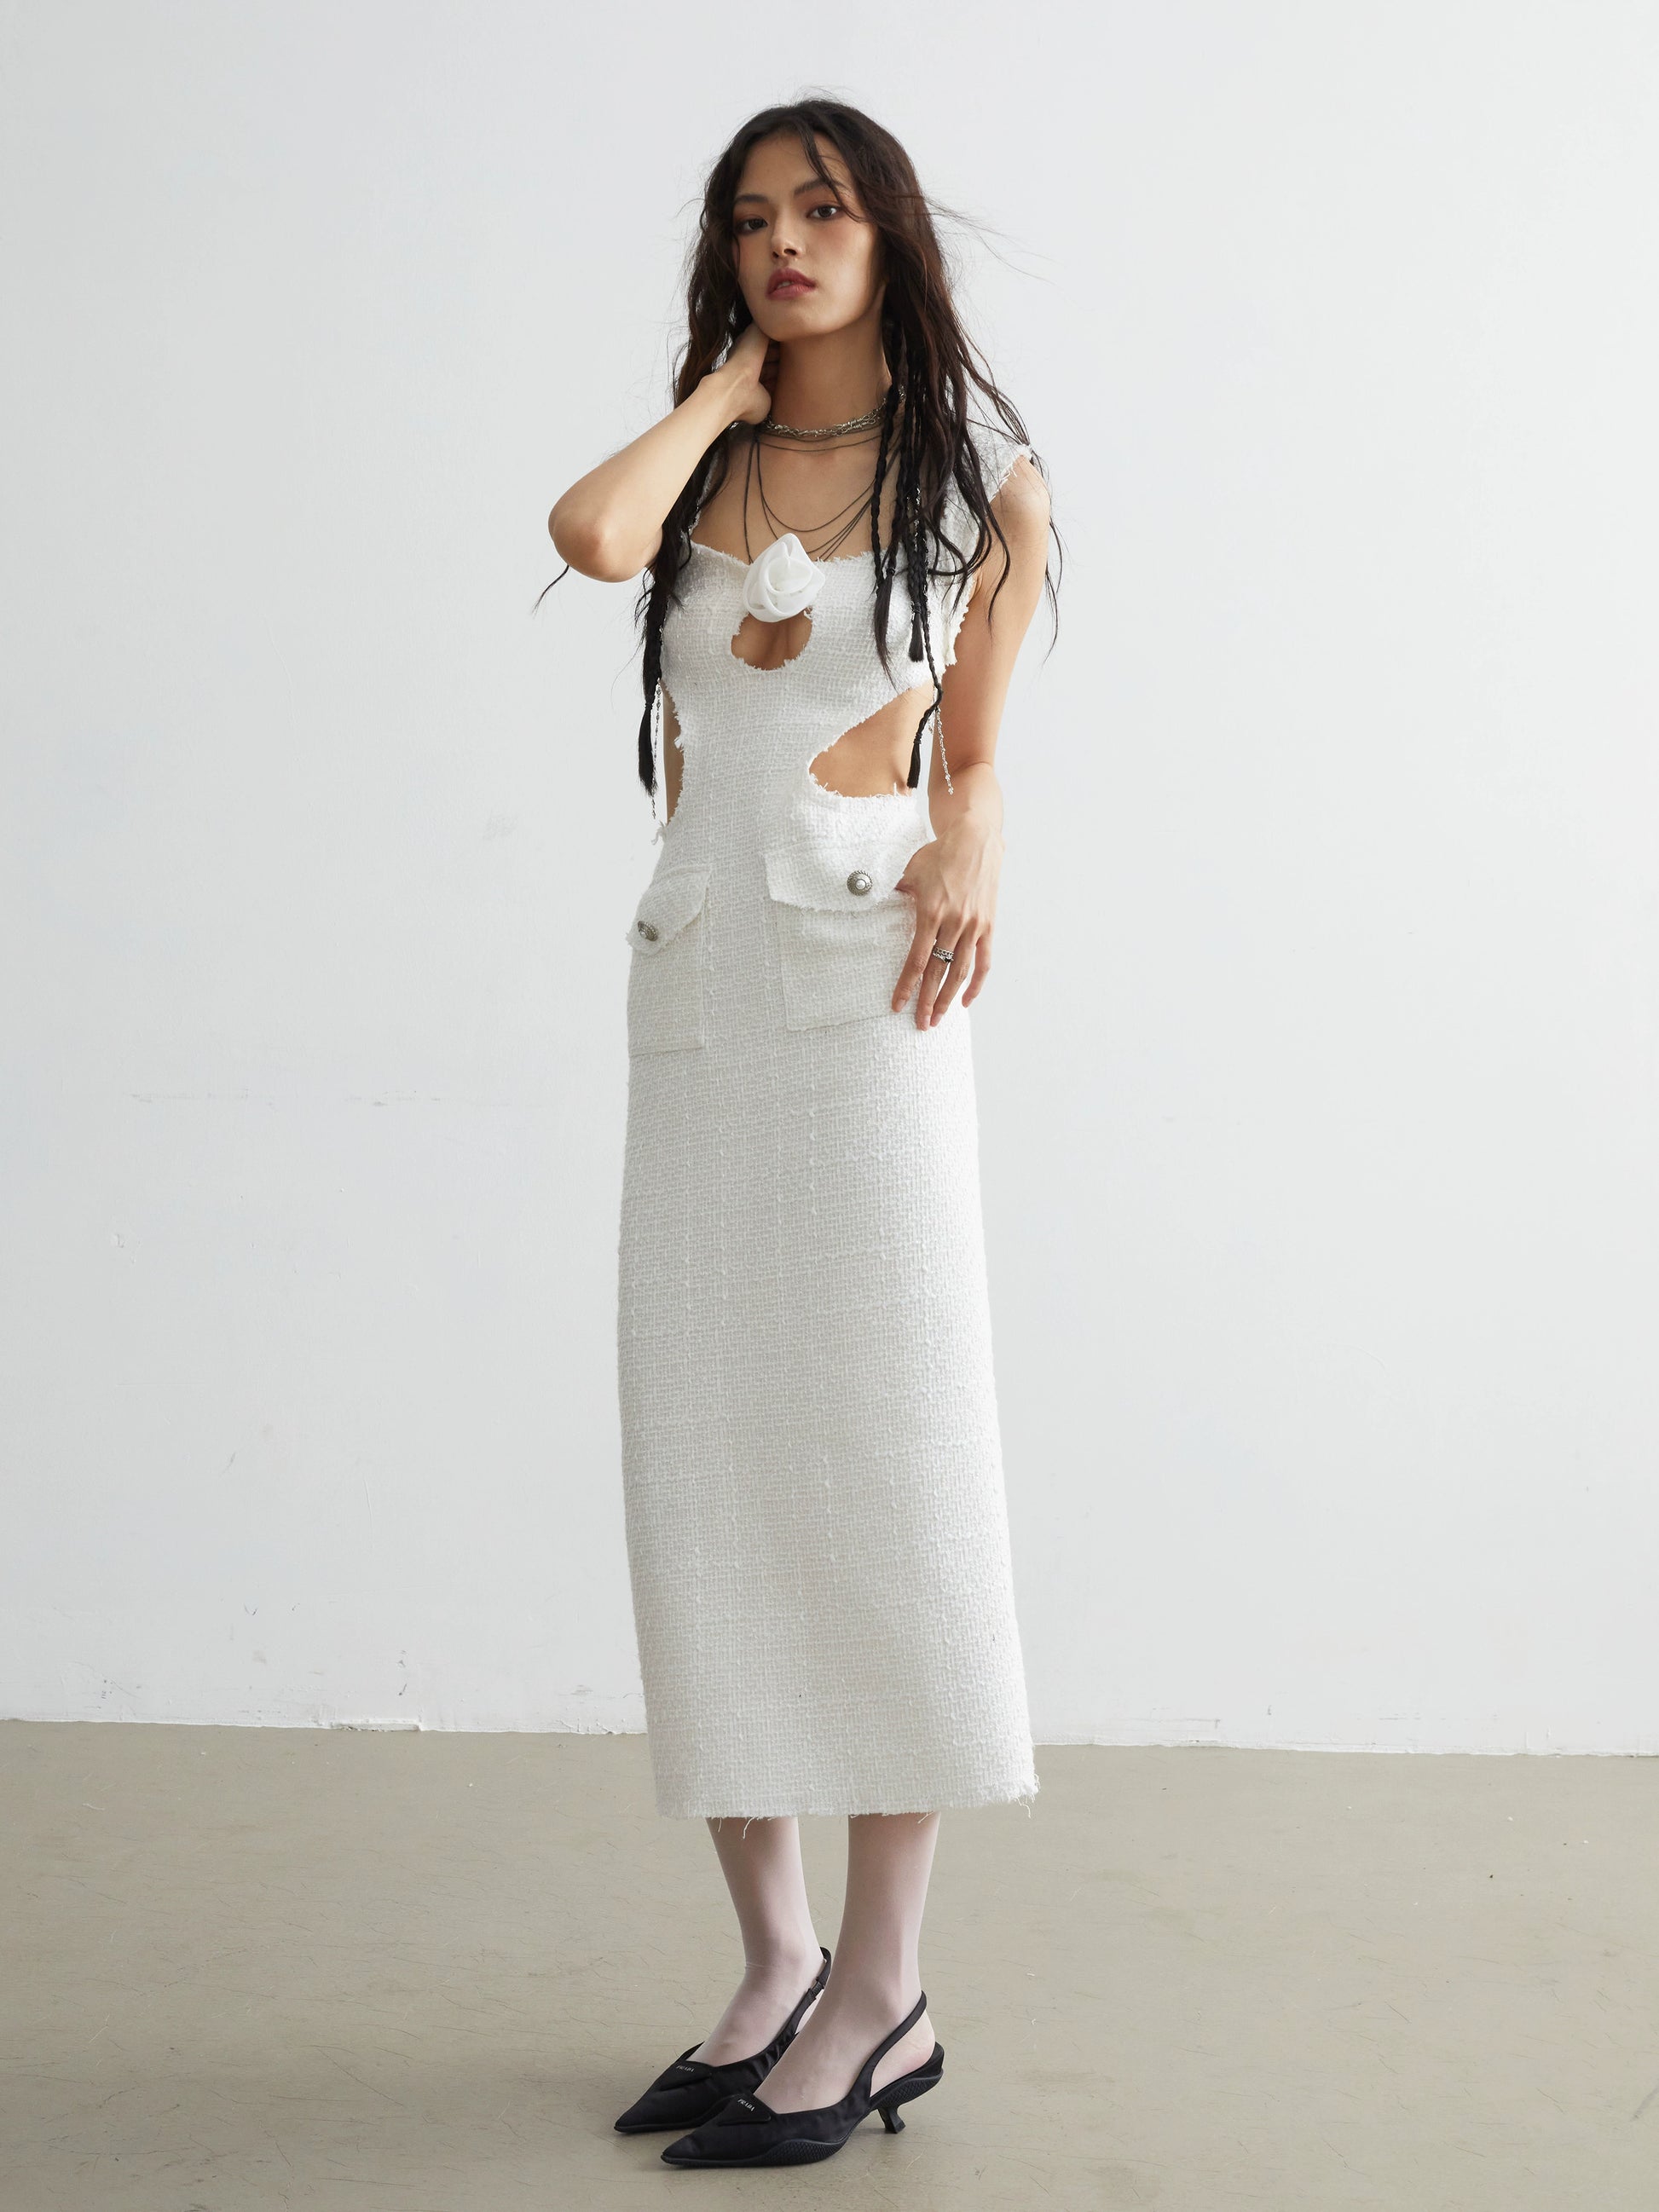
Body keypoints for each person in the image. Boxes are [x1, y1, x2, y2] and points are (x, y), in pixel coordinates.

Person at [546, 97, 1058, 2170]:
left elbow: (979, 751)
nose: (787, 239)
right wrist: (718, 395)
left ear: (888, 232)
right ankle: (772, 1962)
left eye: (823, 209)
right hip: (698, 996)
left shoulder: (979, 478)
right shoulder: (703, 464)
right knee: (706, 1467)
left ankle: (884, 1982)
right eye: (753, 218)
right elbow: (588, 534)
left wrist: (975, 832)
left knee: (886, 1462)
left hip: (865, 999)